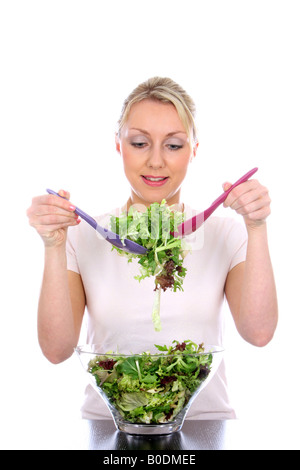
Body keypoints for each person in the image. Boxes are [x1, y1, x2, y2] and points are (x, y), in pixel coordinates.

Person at [26, 77, 278, 420]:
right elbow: (56, 351)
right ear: (119, 145)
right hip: (108, 428)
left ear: (194, 149)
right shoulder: (81, 236)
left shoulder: (224, 233)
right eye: (140, 142)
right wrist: (53, 245)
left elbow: (259, 332)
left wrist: (257, 227)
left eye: (173, 145)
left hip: (205, 427)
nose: (156, 161)